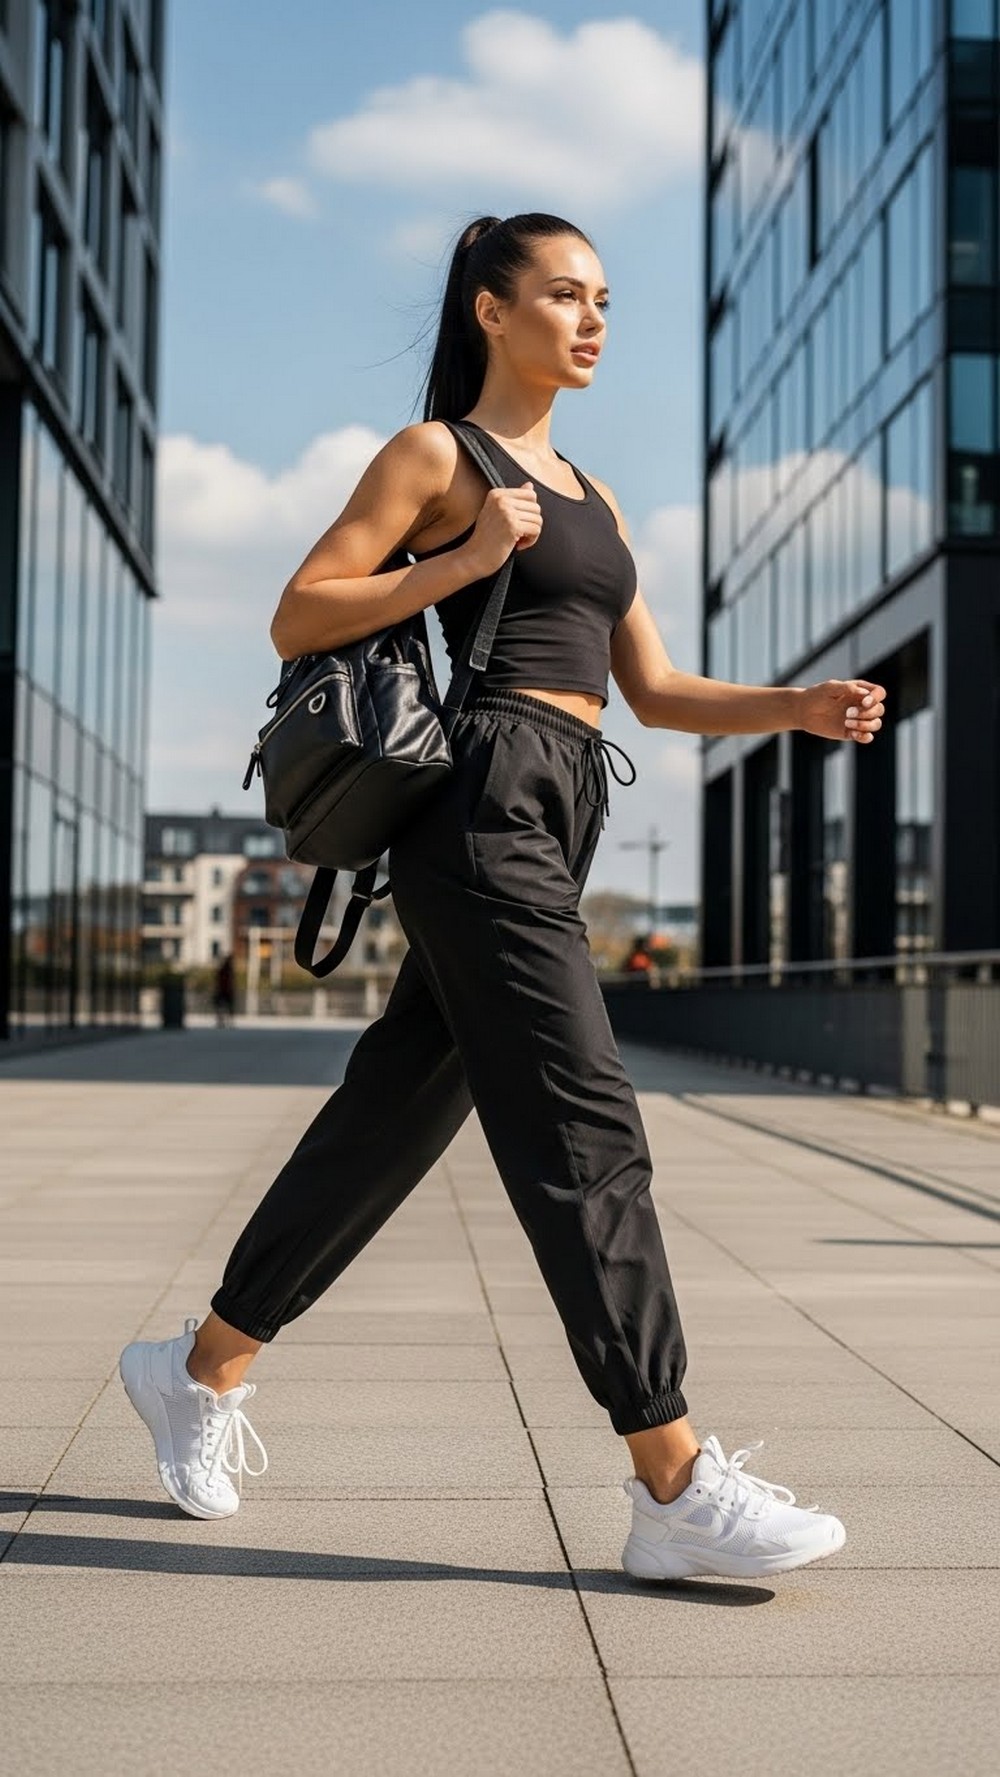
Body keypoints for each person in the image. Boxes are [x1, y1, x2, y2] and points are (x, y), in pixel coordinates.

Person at [119, 212, 887, 1579]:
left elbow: (648, 690)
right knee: (582, 1119)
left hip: (563, 794)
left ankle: (201, 1364)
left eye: (604, 299)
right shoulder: (437, 457)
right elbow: (303, 611)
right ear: (490, 308)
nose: (592, 319)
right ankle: (671, 1477)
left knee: (397, 1110)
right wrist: (463, 562)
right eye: (563, 294)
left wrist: (798, 707)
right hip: (476, 802)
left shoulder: (591, 493)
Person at [212, 953, 235, 1027]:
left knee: (222, 1007)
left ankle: (223, 1021)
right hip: (224, 990)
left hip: (224, 990)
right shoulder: (227, 970)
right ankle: (223, 1021)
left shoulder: (225, 970)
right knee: (225, 1007)